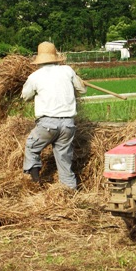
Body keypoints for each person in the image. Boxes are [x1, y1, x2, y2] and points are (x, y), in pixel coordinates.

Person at [21, 42, 87, 190]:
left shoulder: (34, 76)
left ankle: (35, 183)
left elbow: (25, 96)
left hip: (47, 125)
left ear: (39, 60)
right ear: (55, 57)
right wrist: (79, 82)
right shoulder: (67, 71)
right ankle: (70, 191)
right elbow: (82, 90)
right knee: (64, 159)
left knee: (32, 147)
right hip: (68, 125)